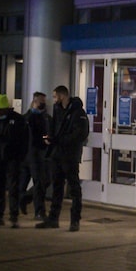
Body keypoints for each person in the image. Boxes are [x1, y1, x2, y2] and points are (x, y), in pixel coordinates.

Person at [37, 85, 89, 231]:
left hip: (70, 156)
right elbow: (55, 129)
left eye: (55, 96)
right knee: (57, 188)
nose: (53, 100)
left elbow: (80, 134)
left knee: (74, 189)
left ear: (62, 95)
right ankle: (53, 219)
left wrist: (59, 140)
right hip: (57, 155)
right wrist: (50, 139)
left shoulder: (78, 112)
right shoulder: (58, 110)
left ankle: (75, 220)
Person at [0, 94, 28, 228]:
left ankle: (14, 216)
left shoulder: (17, 120)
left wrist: (21, 157)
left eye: (0, 111)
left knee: (13, 188)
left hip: (12, 159)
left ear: (6, 109)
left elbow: (23, 139)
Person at [20, 92, 52, 220]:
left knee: (45, 180)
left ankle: (25, 198)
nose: (44, 104)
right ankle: (39, 211)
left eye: (44, 102)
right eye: (41, 102)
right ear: (34, 102)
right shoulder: (26, 119)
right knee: (38, 182)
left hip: (43, 153)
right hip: (32, 154)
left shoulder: (46, 118)